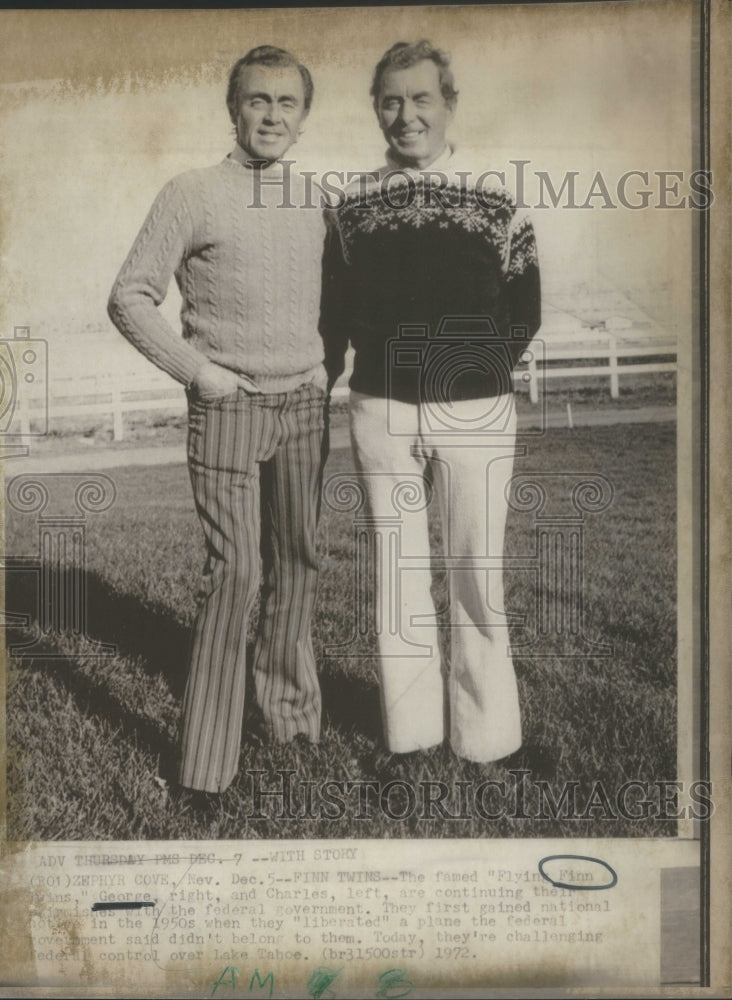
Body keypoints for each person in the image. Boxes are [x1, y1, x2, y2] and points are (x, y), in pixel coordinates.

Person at [108, 45, 328, 797]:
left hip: (304, 407)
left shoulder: (317, 200)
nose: (271, 115)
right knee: (236, 572)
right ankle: (205, 769)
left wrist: (326, 365)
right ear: (234, 109)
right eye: (257, 100)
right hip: (228, 407)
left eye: (287, 103)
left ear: (304, 117)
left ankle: (291, 724)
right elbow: (130, 295)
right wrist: (199, 373)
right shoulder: (192, 192)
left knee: (297, 563)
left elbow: (336, 296)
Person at [322, 40, 541, 764]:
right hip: (380, 411)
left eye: (421, 98)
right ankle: (412, 739)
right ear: (376, 110)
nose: (406, 115)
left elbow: (525, 305)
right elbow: (334, 312)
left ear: (449, 104)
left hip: (475, 412)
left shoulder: (500, 194)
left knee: (477, 574)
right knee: (399, 579)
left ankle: (488, 741)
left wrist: (475, 374)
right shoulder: (350, 203)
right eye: (390, 101)